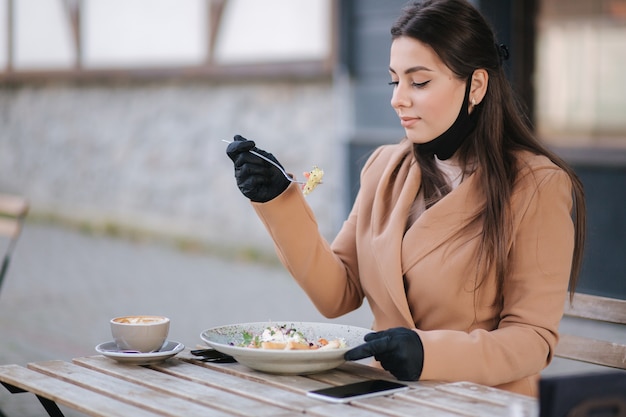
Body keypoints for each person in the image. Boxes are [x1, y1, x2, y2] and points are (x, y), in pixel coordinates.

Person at [225, 0, 586, 397]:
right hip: (385, 396)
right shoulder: (384, 168)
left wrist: (428, 353)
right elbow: (337, 294)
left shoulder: (537, 185)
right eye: (394, 80)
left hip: (484, 402)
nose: (398, 98)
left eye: (419, 82)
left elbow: (532, 340)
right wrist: (280, 200)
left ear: (476, 86)